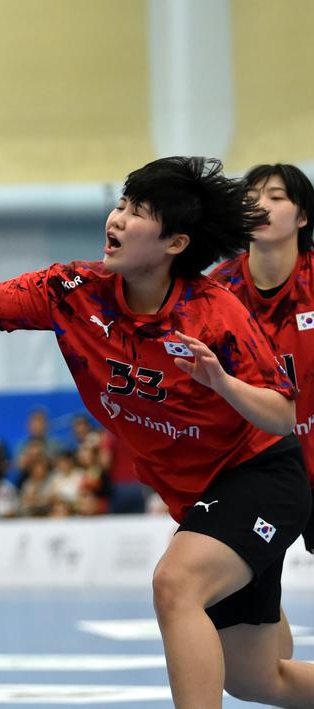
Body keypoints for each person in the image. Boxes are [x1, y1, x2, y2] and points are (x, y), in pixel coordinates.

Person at [0, 156, 314, 707]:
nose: (116, 220)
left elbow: (281, 415)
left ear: (175, 243)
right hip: (199, 499)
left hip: (259, 477)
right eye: (121, 204)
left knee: (175, 584)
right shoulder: (74, 291)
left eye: (138, 212)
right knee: (258, 680)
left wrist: (221, 382)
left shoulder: (214, 313)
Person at [210, 163, 314, 660]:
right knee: (255, 654)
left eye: (276, 196)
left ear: (302, 217)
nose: (261, 206)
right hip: (255, 470)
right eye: (252, 196)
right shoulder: (217, 290)